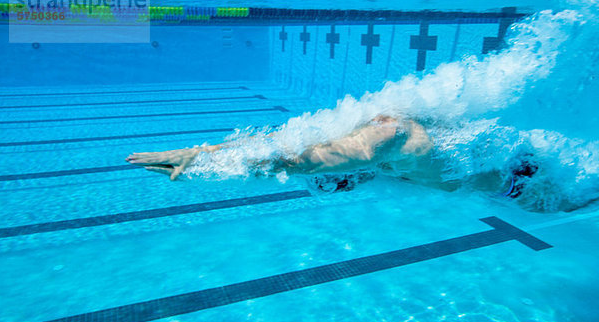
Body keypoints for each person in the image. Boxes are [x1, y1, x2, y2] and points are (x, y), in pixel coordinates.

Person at [126, 114, 531, 196]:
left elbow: (292, 160)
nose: (350, 188)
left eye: (342, 184)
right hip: (502, 171)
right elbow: (280, 147)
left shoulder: (381, 146)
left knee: (563, 204)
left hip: (518, 178)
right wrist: (208, 151)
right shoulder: (379, 157)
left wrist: (200, 158)